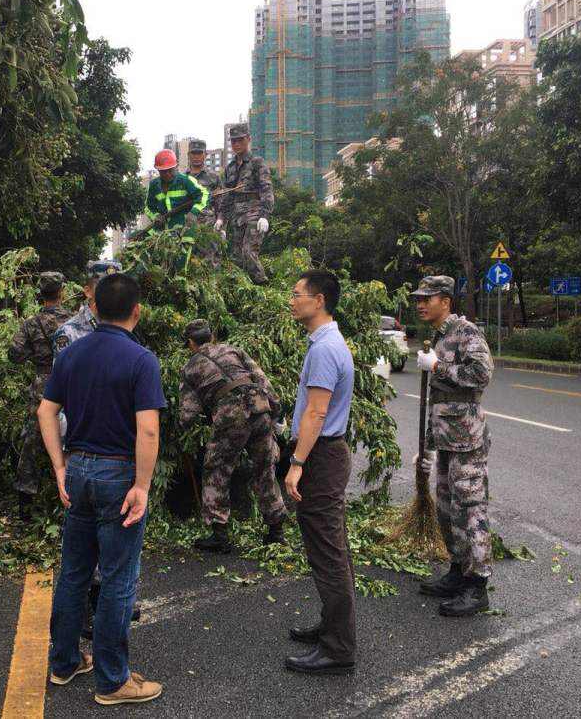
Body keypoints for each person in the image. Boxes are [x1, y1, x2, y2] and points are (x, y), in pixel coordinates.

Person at [38, 273, 165, 706]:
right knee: (117, 577)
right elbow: (147, 430)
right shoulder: (141, 359)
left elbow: (45, 411)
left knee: (73, 571)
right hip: (118, 474)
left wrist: (59, 466)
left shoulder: (71, 353)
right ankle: (113, 682)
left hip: (79, 468)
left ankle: (65, 662)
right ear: (136, 311)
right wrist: (142, 486)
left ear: (93, 307)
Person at [282, 269, 357, 675]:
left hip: (321, 458)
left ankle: (338, 647)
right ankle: (332, 627)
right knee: (330, 547)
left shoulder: (326, 348)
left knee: (328, 552)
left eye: (297, 295)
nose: (292, 301)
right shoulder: (324, 342)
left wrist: (296, 464)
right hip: (325, 454)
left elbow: (317, 411)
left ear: (320, 300)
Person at [412, 275, 494, 618]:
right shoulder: (440, 335)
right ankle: (458, 571)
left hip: (467, 441)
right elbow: (438, 400)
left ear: (445, 300)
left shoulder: (466, 332)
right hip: (446, 440)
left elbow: (481, 374)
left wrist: (438, 367)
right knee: (447, 508)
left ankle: (477, 586)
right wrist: (427, 447)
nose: (420, 303)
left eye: (426, 298)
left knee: (470, 509)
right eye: (418, 298)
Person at [178, 319, 286, 552]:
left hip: (230, 415)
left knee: (216, 470)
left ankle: (219, 534)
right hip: (260, 408)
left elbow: (188, 412)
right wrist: (276, 411)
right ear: (212, 336)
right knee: (265, 468)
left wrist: (183, 429)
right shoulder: (233, 349)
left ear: (190, 343)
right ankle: (276, 531)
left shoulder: (190, 367)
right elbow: (262, 379)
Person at [7, 272, 72, 518]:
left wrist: (35, 357)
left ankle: (25, 503)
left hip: (43, 384)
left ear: (40, 293)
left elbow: (14, 354)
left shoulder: (31, 323)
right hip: (71, 384)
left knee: (33, 440)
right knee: (73, 438)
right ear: (62, 292)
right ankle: (70, 498)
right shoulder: (74, 321)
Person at [219, 123, 274, 285]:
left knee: (248, 252)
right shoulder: (230, 168)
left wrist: (264, 215)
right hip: (237, 216)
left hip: (254, 213)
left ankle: (262, 286)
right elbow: (227, 196)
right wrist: (221, 219)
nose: (236, 144)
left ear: (248, 139)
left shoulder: (257, 163)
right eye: (233, 141)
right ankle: (243, 291)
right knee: (236, 258)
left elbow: (267, 189)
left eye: (240, 140)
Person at [51, 260, 122, 357]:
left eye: (117, 289)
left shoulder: (124, 328)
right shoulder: (69, 333)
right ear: (88, 292)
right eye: (104, 288)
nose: (112, 294)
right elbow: (63, 371)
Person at [186, 139, 223, 268]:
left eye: (199, 153)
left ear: (205, 154)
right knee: (188, 262)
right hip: (187, 226)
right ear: (188, 155)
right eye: (193, 153)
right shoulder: (182, 178)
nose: (196, 157)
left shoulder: (214, 177)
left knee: (211, 262)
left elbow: (220, 202)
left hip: (208, 225)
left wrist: (220, 221)